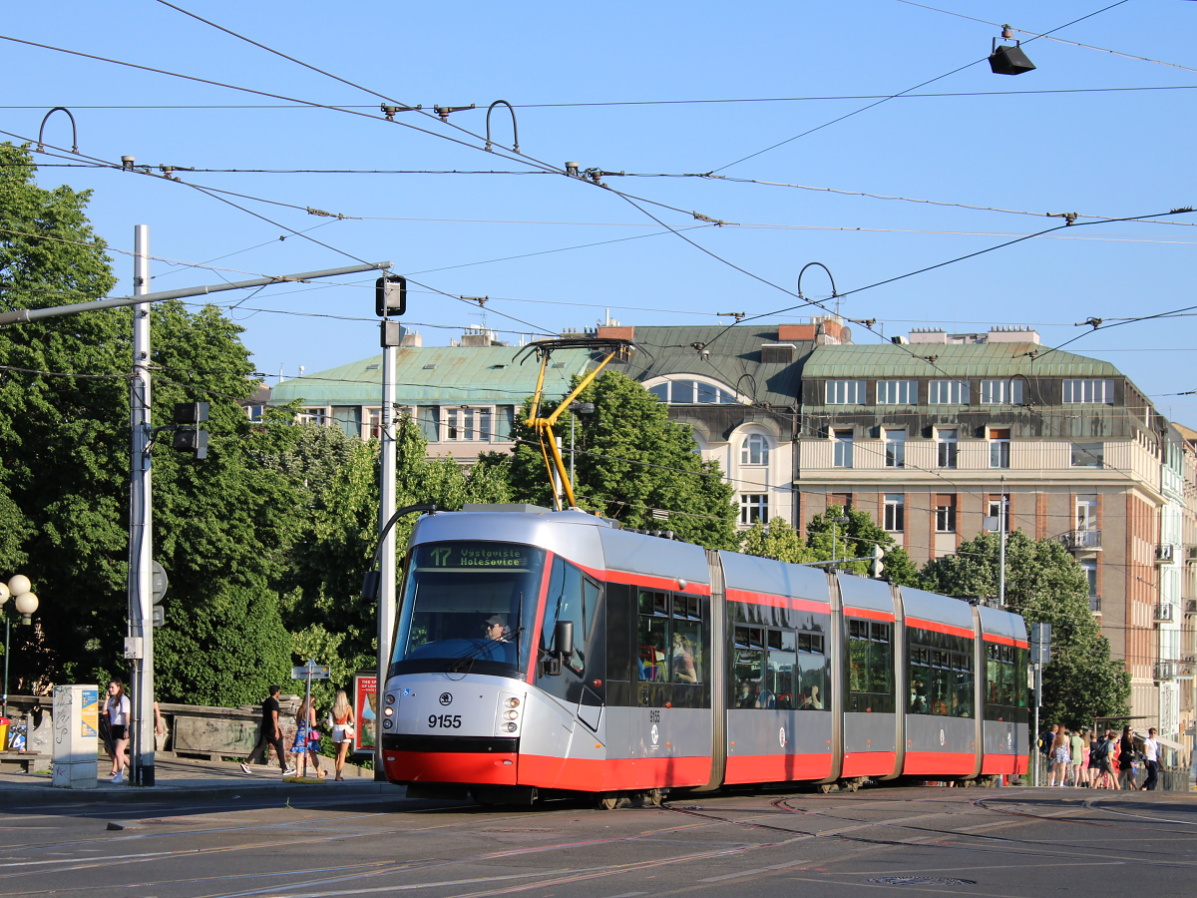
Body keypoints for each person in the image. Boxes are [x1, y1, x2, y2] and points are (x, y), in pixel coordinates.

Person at [241, 685, 294, 776]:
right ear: (277, 692)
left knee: (260, 746)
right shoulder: (274, 703)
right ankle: (284, 768)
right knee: (279, 746)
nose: (279, 693)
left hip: (265, 727)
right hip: (271, 729)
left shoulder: (266, 701)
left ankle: (246, 763)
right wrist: (276, 729)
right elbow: (274, 716)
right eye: (279, 691)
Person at [104, 679, 131, 783]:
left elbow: (127, 715)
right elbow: (104, 711)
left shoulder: (123, 699)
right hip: (114, 726)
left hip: (122, 726)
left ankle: (119, 775)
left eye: (112, 687)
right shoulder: (112, 700)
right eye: (109, 687)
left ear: (119, 688)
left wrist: (126, 729)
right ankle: (133, 770)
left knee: (119, 752)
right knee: (119, 753)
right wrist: (106, 699)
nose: (110, 689)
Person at [291, 695, 325, 777]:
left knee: (300, 753)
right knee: (313, 753)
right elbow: (313, 723)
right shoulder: (311, 710)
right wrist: (322, 722)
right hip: (309, 733)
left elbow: (297, 722)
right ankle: (319, 771)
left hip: (300, 732)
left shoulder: (300, 710)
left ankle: (298, 773)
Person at [328, 689, 356, 782]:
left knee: (337, 753)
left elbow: (330, 724)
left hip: (336, 730)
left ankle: (336, 774)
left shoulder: (332, 709)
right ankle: (338, 775)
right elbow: (352, 721)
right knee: (342, 754)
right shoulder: (348, 708)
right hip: (345, 731)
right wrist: (348, 722)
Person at [1117, 725, 1136, 791]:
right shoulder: (1124, 738)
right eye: (1130, 730)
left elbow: (1135, 748)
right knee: (1131, 773)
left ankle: (1117, 786)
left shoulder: (1131, 738)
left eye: (1132, 730)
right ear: (1126, 731)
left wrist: (1139, 753)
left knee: (1122, 773)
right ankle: (1136, 788)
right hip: (1126, 758)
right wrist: (1130, 753)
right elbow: (1125, 749)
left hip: (1130, 758)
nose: (1131, 731)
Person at [1141, 727, 1160, 791]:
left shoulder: (1155, 741)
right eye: (1151, 733)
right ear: (1149, 734)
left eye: (1154, 733)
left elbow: (1156, 751)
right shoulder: (1147, 741)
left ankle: (1151, 788)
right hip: (1148, 759)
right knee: (1153, 774)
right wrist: (1146, 759)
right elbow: (1145, 750)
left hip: (1154, 759)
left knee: (1155, 775)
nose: (1153, 734)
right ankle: (1144, 785)